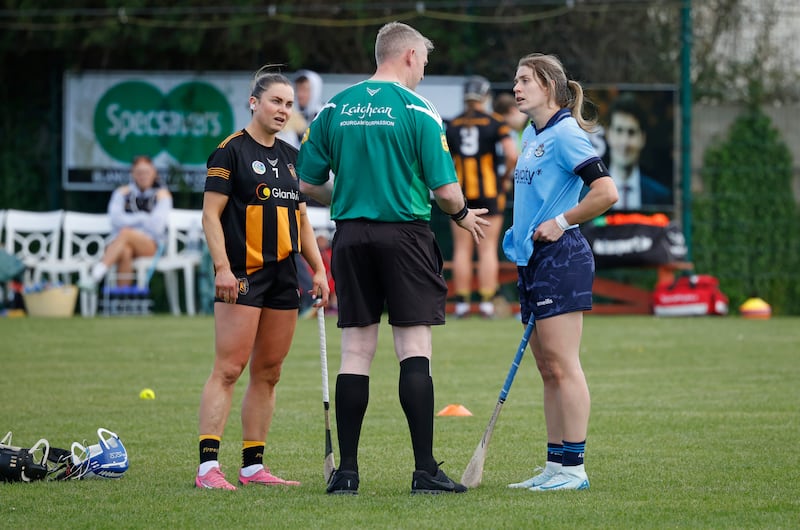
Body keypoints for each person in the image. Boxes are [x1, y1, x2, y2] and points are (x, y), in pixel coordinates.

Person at [297, 21, 489, 495]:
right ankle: (424, 470)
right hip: (404, 236)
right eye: (423, 59)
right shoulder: (419, 110)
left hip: (351, 236)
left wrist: (343, 195)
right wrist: (463, 214)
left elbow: (305, 182)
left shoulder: (335, 107)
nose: (424, 69)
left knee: (357, 353)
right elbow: (445, 192)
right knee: (414, 350)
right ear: (406, 55)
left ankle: (347, 473)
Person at [195, 66, 331, 490]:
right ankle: (207, 469)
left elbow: (302, 221)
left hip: (283, 277)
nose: (282, 110)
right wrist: (222, 267)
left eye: (289, 104)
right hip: (243, 274)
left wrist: (320, 269)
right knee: (229, 368)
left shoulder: (295, 159)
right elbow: (210, 216)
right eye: (275, 101)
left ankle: (253, 467)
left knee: (269, 371)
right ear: (254, 102)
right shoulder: (229, 152)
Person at [502, 53, 618, 492]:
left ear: (549, 85)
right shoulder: (531, 134)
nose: (517, 87)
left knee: (564, 364)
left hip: (562, 256)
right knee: (547, 368)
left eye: (525, 80)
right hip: (533, 258)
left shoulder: (567, 134)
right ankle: (555, 465)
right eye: (516, 80)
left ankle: (575, 468)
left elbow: (606, 192)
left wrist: (563, 220)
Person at [446, 75, 518, 318]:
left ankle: (462, 303)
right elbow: (512, 155)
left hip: (461, 194)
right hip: (489, 193)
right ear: (485, 96)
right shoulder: (495, 122)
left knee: (461, 249)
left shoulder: (453, 124)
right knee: (487, 249)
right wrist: (504, 178)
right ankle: (487, 302)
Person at [81, 155, 172, 289]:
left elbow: (157, 227)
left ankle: (96, 275)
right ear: (133, 174)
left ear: (154, 173)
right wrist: (144, 219)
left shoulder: (162, 195)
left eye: (147, 172)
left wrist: (133, 223)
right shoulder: (121, 193)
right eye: (139, 173)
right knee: (125, 250)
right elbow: (116, 220)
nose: (143, 176)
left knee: (125, 233)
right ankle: (123, 300)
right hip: (121, 243)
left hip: (150, 245)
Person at [605, 92, 671, 210]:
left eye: (631, 132)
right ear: (608, 135)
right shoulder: (586, 195)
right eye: (619, 131)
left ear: (642, 139)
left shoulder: (659, 195)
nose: (624, 142)